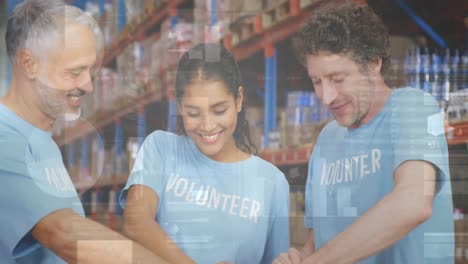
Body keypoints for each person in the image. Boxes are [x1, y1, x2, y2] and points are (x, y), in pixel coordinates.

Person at [274, 2, 454, 264]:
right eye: (317, 81)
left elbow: (413, 201)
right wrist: (299, 258)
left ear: (373, 63)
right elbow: (317, 244)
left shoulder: (413, 108)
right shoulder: (326, 140)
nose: (326, 96)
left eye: (337, 79)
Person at [0, 0, 169, 263]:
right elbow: (63, 233)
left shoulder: (42, 141)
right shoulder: (4, 137)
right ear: (29, 64)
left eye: (90, 71)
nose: (88, 86)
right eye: (75, 72)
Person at [119, 43, 290, 264]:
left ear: (238, 99)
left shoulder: (272, 182)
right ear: (179, 106)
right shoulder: (160, 149)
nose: (208, 125)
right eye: (193, 113)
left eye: (219, 110)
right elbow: (135, 222)